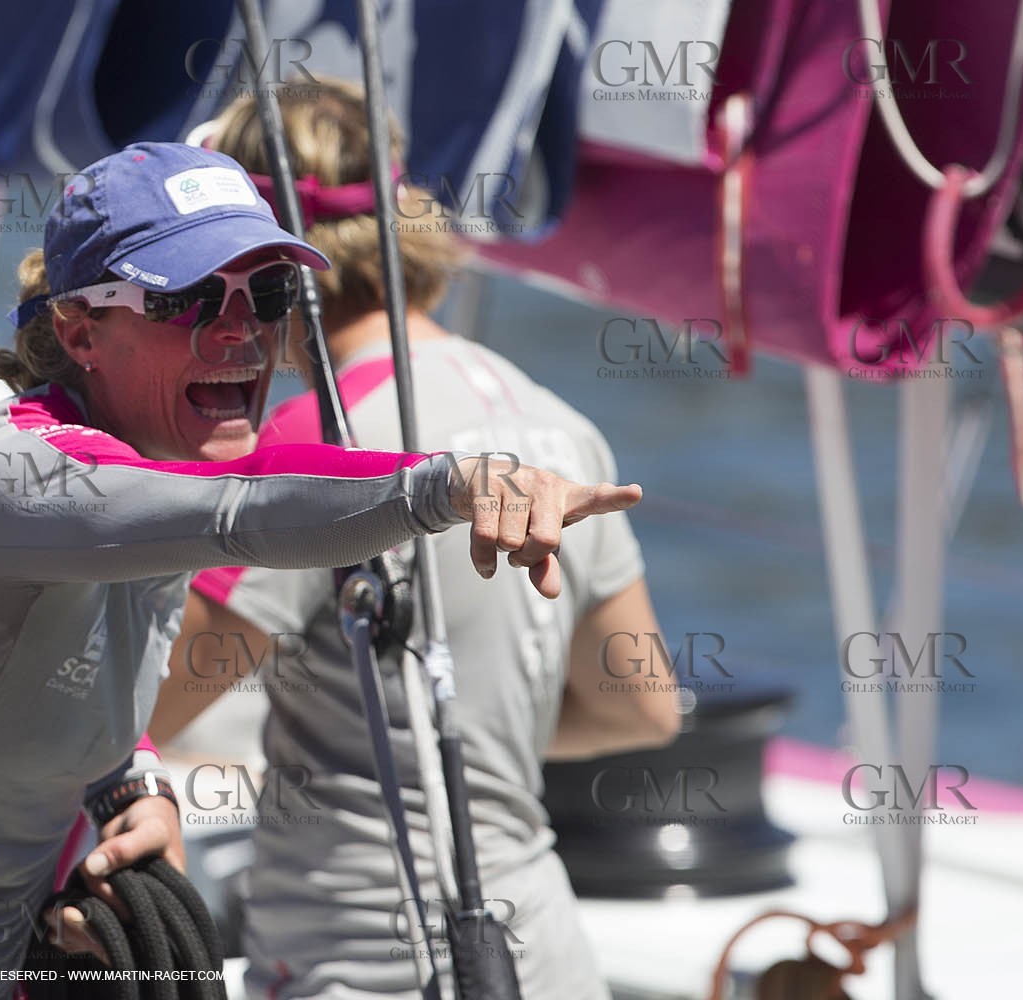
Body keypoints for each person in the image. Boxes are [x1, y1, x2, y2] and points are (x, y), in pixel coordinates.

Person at [0, 142, 640, 997]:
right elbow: (249, 514)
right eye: (186, 300)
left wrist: (133, 791)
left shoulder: (147, 496)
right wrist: (455, 485)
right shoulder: (8, 477)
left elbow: (93, 689)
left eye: (264, 297)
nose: (239, 333)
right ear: (79, 332)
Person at [147, 83, 679, 999]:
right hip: (541, 955)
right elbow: (643, 707)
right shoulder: (560, 427)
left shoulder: (312, 442)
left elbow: (147, 713)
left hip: (362, 960)